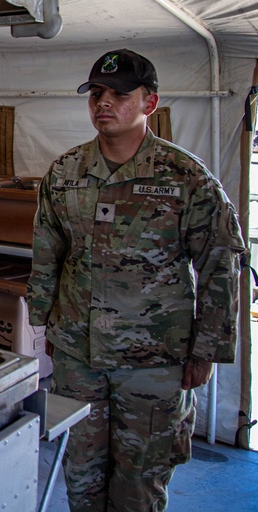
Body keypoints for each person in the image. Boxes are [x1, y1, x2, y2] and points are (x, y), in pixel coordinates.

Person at [27, 49, 243, 512]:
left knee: (139, 484)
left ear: (150, 102)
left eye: (119, 94)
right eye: (97, 93)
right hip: (78, 354)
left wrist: (206, 351)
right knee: (80, 476)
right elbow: (48, 249)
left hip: (153, 361)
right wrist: (45, 322)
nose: (103, 103)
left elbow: (220, 267)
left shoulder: (186, 178)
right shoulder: (65, 172)